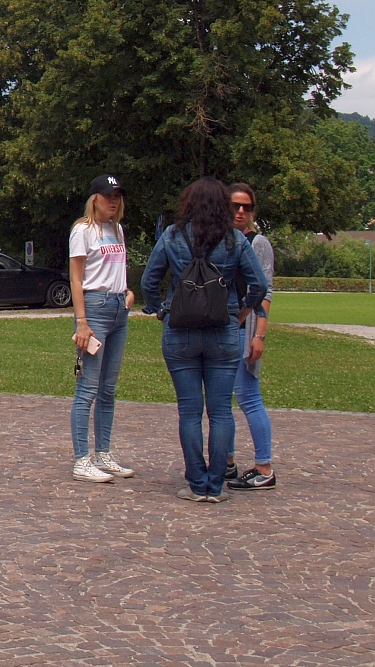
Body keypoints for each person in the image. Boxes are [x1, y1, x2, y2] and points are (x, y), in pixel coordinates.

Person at [142, 177, 268, 503]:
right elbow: (258, 286)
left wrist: (160, 310)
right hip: (223, 332)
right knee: (221, 412)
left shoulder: (172, 236)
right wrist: (240, 314)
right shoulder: (235, 240)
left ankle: (196, 483)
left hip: (180, 330)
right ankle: (216, 485)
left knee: (189, 412)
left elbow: (149, 280)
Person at [68, 174, 136, 484]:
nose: (114, 201)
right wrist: (82, 321)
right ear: (95, 198)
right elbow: (77, 278)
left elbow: (116, 268)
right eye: (108, 195)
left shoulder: (117, 230)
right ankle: (82, 458)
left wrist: (127, 290)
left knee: (109, 388)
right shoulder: (83, 231)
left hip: (118, 307)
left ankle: (103, 452)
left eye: (118, 196)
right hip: (95, 308)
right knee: (89, 388)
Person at [225, 182, 277, 490]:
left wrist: (260, 334)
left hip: (246, 331)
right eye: (235, 206)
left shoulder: (257, 243)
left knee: (248, 397)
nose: (241, 212)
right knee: (220, 399)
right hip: (226, 329)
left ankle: (264, 467)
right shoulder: (224, 240)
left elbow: (265, 291)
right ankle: (227, 461)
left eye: (247, 207)